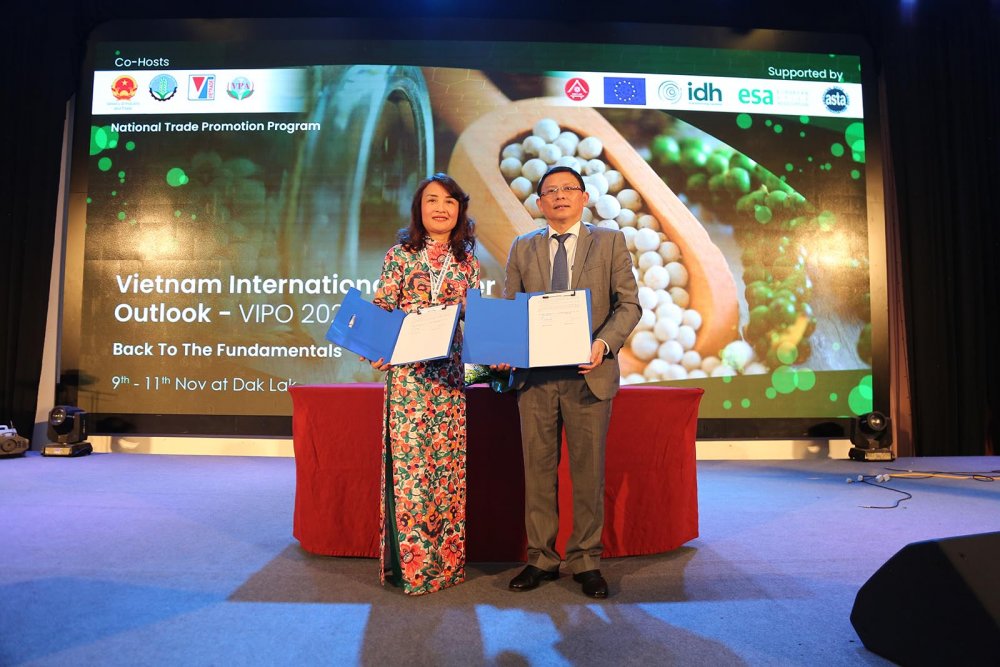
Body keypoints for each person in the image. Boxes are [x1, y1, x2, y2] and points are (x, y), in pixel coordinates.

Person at [500, 165, 640, 599]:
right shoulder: (522, 247)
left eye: (568, 189)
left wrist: (603, 344)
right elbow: (510, 310)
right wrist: (504, 348)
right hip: (536, 380)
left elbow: (629, 305)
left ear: (584, 197)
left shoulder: (611, 241)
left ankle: (585, 560)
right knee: (537, 472)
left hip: (589, 375)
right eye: (550, 191)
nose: (560, 196)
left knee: (587, 471)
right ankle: (541, 558)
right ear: (539, 204)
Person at [364, 173, 480, 595]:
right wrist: (376, 346)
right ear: (419, 209)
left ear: (459, 210)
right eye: (432, 200)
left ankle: (446, 565)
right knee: (412, 474)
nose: (441, 208)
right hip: (410, 381)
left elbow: (475, 320)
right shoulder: (400, 256)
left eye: (450, 201)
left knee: (447, 473)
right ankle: (412, 568)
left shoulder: (468, 262)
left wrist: (489, 336)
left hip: (449, 380)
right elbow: (382, 309)